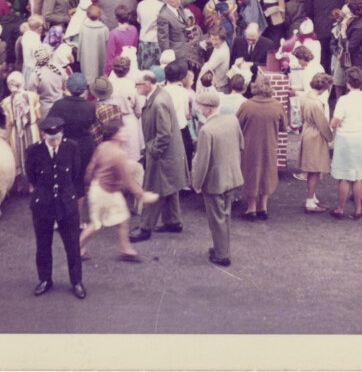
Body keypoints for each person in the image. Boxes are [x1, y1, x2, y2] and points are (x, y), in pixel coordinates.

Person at [27, 115, 87, 299]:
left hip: (66, 203)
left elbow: (76, 174)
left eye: (58, 139)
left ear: (62, 135)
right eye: (51, 140)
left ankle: (76, 281)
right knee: (43, 245)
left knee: (72, 245)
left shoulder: (71, 147)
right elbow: (32, 176)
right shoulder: (34, 150)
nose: (55, 143)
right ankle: (45, 279)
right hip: (43, 203)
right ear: (44, 135)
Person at [79, 123, 156, 263]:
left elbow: (91, 168)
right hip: (105, 193)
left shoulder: (102, 147)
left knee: (122, 218)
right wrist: (143, 195)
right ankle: (77, 249)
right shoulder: (119, 154)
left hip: (101, 188)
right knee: (96, 224)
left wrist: (88, 184)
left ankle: (126, 249)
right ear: (114, 135)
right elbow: (129, 181)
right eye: (122, 131)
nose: (125, 133)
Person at [128, 70, 189, 243]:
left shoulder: (159, 102)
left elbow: (164, 135)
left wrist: (152, 150)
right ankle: (173, 222)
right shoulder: (160, 94)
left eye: (138, 84)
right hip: (168, 154)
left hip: (162, 155)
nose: (135, 87)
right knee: (169, 187)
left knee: (153, 189)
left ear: (147, 85)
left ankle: (145, 228)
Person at [191, 89, 245, 267]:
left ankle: (222, 254)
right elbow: (241, 145)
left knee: (216, 218)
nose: (198, 108)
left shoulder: (207, 130)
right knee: (225, 215)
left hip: (215, 181)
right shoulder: (232, 120)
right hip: (232, 175)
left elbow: (202, 162)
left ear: (207, 109)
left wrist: (197, 184)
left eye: (200, 106)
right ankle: (222, 248)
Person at [328, 66, 362, 219]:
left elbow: (334, 123)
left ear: (347, 82)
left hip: (344, 139)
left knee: (344, 177)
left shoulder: (343, 100)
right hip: (360, 138)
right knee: (357, 176)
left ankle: (340, 209)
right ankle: (358, 210)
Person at [236, 75, 287, 220]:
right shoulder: (277, 105)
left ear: (254, 87)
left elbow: (237, 124)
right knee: (267, 173)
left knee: (250, 174)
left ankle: (251, 208)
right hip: (269, 145)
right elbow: (284, 126)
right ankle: (263, 207)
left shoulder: (247, 105)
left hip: (249, 146)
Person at [48, 73, 98, 218]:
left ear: (68, 87)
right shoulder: (90, 106)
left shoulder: (58, 105)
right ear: (84, 89)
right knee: (80, 181)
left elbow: (50, 124)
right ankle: (77, 218)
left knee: (63, 179)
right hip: (84, 146)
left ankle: (61, 217)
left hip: (64, 145)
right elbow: (92, 123)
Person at [298, 72, 334, 213]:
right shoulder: (317, 103)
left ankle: (312, 198)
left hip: (307, 130)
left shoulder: (304, 97)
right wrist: (330, 137)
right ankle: (309, 202)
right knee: (314, 170)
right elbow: (323, 125)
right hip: (315, 135)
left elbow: (301, 117)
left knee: (312, 168)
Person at [78, 3, 109, 84]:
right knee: (98, 76)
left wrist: (78, 57)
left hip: (86, 57)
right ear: (100, 14)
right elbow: (107, 44)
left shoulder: (83, 27)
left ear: (87, 15)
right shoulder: (104, 29)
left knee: (87, 76)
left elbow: (80, 42)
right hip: (100, 56)